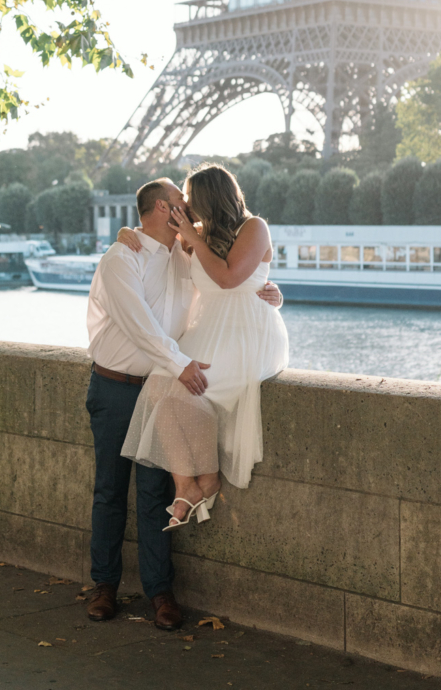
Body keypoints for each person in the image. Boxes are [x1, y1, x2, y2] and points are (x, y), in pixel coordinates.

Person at [85, 176, 282, 630]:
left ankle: (160, 593)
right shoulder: (122, 257)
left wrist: (273, 292)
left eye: (190, 202)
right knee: (110, 491)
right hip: (119, 386)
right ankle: (104, 587)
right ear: (160, 209)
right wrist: (179, 365)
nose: (188, 209)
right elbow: (141, 328)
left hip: (166, 380)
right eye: (179, 202)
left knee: (156, 494)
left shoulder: (185, 251)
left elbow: (231, 286)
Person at [120, 163, 289, 528]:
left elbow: (229, 278)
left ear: (210, 197)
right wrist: (126, 231)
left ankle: (199, 484)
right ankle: (194, 481)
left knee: (184, 392)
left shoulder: (254, 227)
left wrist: (194, 240)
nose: (186, 206)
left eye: (191, 198)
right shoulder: (195, 233)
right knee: (157, 387)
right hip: (209, 328)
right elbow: (152, 231)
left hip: (247, 332)